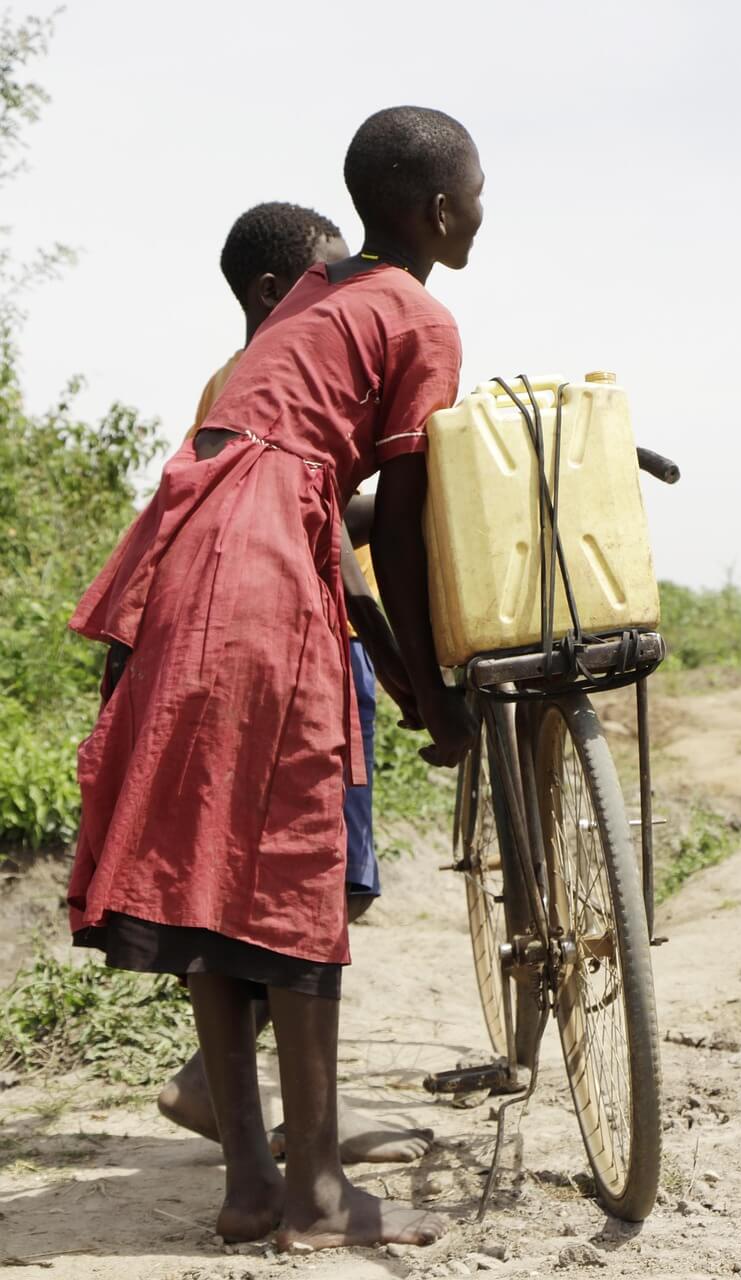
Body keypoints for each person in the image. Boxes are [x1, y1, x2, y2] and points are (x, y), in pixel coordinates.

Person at [67, 104, 484, 1252]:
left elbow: (296, 490)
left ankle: (254, 1183)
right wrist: (438, 695)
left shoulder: (315, 295)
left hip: (180, 545)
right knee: (296, 849)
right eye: (477, 193)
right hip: (258, 561)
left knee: (213, 852)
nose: (482, 211)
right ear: (442, 211)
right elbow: (389, 534)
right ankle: (313, 1201)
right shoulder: (421, 315)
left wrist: (406, 689)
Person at [157, 200, 432, 1164]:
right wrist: (407, 674)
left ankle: (257, 1119)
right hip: (308, 639)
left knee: (290, 882)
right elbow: (311, 518)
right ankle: (292, 1124)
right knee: (321, 882)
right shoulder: (268, 370)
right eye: (326, 275)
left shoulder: (236, 378)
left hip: (261, 634)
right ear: (278, 291)